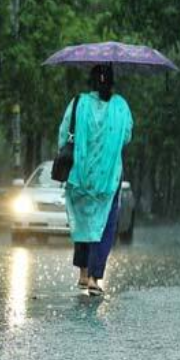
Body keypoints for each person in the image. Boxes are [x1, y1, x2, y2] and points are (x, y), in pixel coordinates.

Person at [58, 64, 132, 296]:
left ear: (91, 81)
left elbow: (63, 135)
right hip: (109, 177)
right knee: (105, 225)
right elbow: (127, 136)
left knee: (84, 222)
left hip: (80, 175)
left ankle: (82, 273)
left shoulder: (78, 103)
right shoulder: (121, 106)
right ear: (112, 83)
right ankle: (94, 278)